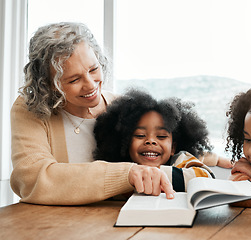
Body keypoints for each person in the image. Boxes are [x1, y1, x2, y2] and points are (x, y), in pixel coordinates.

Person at [10, 22, 174, 206]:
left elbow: (170, 150)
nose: (90, 85)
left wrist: (208, 160)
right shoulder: (30, 108)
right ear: (47, 85)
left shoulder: (123, 106)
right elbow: (33, 179)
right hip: (54, 225)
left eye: (94, 69)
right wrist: (125, 175)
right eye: (74, 79)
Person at [93, 89, 232, 192]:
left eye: (161, 136)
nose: (151, 141)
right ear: (124, 143)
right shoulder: (121, 171)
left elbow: (206, 177)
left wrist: (153, 174)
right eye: (140, 135)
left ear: (173, 147)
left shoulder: (180, 160)